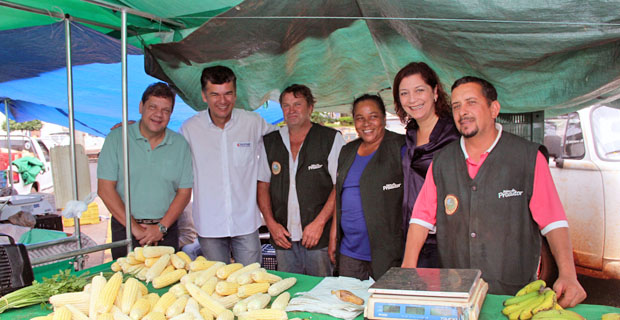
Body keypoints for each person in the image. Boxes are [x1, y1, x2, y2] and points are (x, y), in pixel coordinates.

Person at [401, 76, 587, 307]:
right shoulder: (442, 161)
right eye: (457, 105)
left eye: (471, 102)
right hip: (457, 292)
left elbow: (553, 222)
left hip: (514, 293)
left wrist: (568, 275)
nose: (463, 111)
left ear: (494, 109)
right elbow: (420, 220)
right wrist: (407, 270)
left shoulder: (527, 157)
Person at [180, 66, 273, 265]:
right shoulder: (190, 129)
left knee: (253, 280)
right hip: (209, 224)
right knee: (217, 284)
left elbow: (283, 141)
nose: (223, 101)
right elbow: (167, 149)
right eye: (215, 94)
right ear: (204, 96)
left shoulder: (253, 122)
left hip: (246, 223)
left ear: (235, 94)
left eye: (228, 94)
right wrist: (138, 129)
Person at [98, 82, 193, 259]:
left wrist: (161, 228)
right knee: (126, 283)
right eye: (153, 107)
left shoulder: (180, 145)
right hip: (125, 228)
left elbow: (184, 193)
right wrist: (135, 229)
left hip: (166, 230)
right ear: (141, 107)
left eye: (166, 110)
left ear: (171, 114)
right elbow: (105, 189)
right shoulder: (117, 138)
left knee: (167, 283)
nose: (159, 114)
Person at [257, 84, 345, 276]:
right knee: (289, 291)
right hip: (283, 238)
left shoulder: (329, 139)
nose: (292, 110)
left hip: (317, 237)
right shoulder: (270, 142)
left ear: (310, 108)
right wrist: (271, 224)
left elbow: (339, 186)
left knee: (320, 291)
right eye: (286, 106)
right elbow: (262, 185)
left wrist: (319, 223)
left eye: (297, 104)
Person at [329, 94, 405, 280]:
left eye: (373, 116)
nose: (366, 123)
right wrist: (333, 235)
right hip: (350, 252)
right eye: (360, 118)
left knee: (384, 307)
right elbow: (340, 196)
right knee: (348, 306)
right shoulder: (347, 151)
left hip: (387, 254)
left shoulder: (400, 147)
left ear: (384, 119)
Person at [393, 62, 460, 267]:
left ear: (435, 92)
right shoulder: (411, 133)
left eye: (419, 90)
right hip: (412, 235)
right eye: (404, 93)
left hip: (445, 240)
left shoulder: (454, 135)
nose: (412, 99)